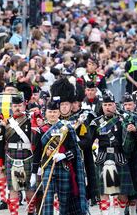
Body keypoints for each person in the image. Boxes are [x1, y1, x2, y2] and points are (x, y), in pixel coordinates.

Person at [40, 77, 88, 215]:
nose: (64, 107)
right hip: (49, 164)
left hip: (71, 164)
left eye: (67, 104)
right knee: (48, 199)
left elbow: (86, 142)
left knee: (69, 200)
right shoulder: (47, 123)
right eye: (61, 105)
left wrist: (69, 151)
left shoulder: (78, 121)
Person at [0, 95, 39, 215]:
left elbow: (37, 140)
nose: (17, 108)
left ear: (24, 106)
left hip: (28, 156)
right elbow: (0, 143)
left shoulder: (31, 121)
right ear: (11, 107)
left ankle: (31, 212)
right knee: (13, 189)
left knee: (30, 188)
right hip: (11, 157)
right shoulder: (5, 123)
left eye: (19, 106)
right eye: (15, 106)